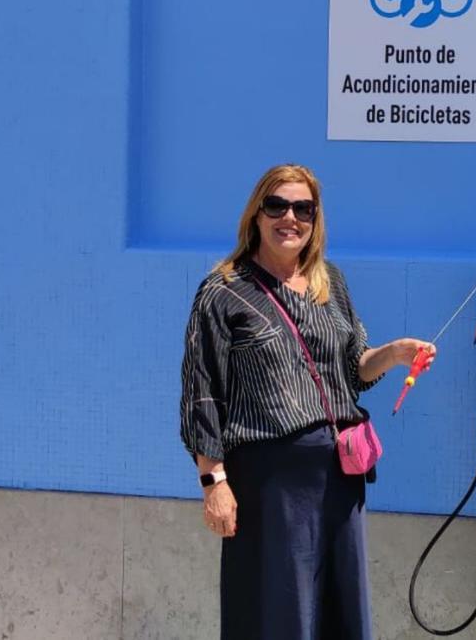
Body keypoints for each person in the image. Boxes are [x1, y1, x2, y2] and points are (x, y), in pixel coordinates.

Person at [179, 164, 434, 639]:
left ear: (316, 220)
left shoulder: (328, 282)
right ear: (256, 215)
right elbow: (202, 391)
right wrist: (214, 482)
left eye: (303, 209)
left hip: (339, 474)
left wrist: (395, 354)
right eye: (277, 206)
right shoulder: (224, 291)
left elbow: (354, 367)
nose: (289, 218)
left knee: (340, 609)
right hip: (269, 479)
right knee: (277, 612)